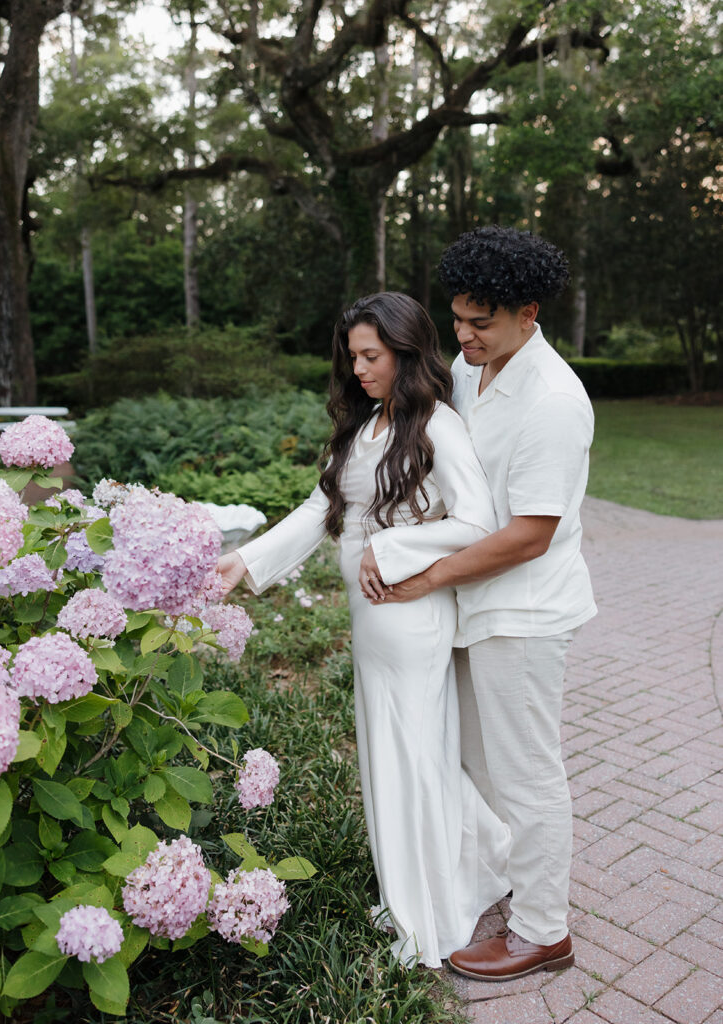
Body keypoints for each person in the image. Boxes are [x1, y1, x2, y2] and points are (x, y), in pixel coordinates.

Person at [217, 291, 512, 968]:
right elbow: (321, 506)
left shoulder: (437, 423)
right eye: (352, 357)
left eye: (371, 355)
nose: (358, 369)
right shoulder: (366, 427)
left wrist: (395, 547)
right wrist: (244, 561)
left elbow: (478, 524)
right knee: (393, 759)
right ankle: (462, 865)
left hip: (413, 617)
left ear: (407, 354)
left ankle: (425, 916)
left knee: (412, 760)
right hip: (372, 623)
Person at [359, 227, 597, 981]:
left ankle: (542, 931)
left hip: (521, 612)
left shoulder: (554, 401)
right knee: (479, 765)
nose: (461, 336)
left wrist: (427, 576)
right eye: (456, 317)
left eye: (480, 322)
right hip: (474, 603)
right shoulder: (474, 368)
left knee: (527, 773)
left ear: (528, 312)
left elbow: (529, 534)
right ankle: (492, 875)